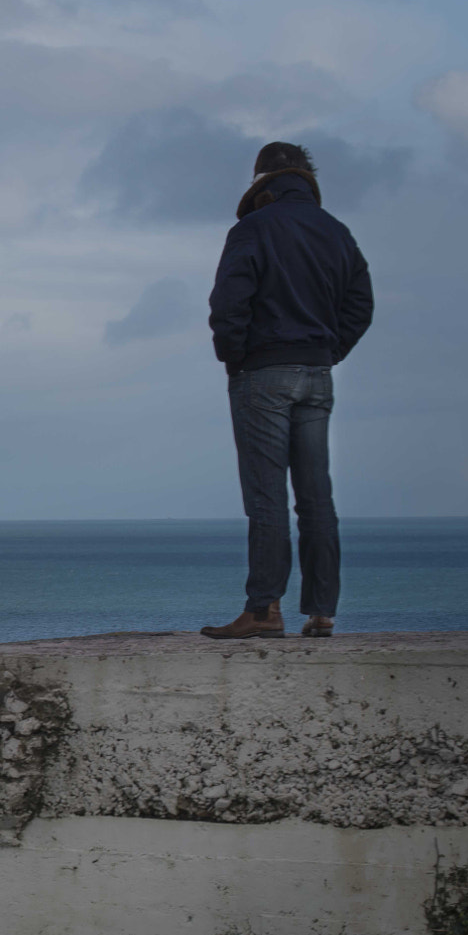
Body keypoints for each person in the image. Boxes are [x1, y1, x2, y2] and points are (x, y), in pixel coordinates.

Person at [200, 142, 373, 641]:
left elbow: (228, 302)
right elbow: (361, 302)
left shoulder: (252, 229)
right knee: (317, 497)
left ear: (262, 185)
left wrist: (235, 358)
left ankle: (263, 611)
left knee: (266, 496)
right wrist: (331, 348)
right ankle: (322, 612)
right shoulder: (337, 232)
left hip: (263, 374)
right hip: (318, 374)